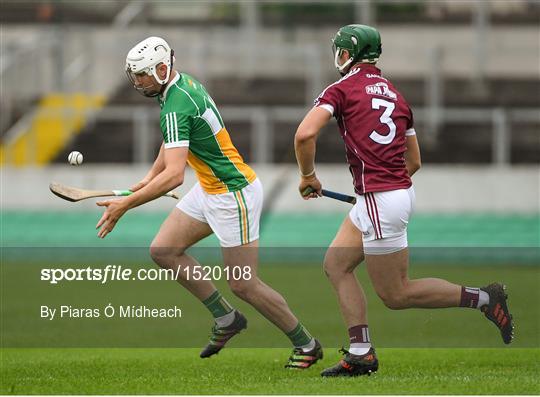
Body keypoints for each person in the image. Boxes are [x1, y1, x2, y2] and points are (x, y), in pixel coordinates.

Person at [294, 24, 514, 377]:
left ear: (347, 54)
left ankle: (485, 298)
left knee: (397, 294)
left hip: (381, 200)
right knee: (336, 265)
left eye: (339, 50)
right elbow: (414, 162)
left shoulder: (341, 89)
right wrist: (383, 190)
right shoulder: (396, 95)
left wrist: (308, 176)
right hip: (386, 196)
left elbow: (304, 134)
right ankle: (360, 352)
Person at [96, 36, 322, 368]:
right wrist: (147, 178)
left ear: (161, 69)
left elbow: (174, 176)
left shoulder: (175, 103)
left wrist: (125, 206)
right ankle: (226, 318)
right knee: (163, 250)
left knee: (244, 283)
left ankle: (307, 345)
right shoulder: (179, 86)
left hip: (233, 194)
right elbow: (174, 142)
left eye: (142, 74)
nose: (137, 81)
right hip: (209, 189)